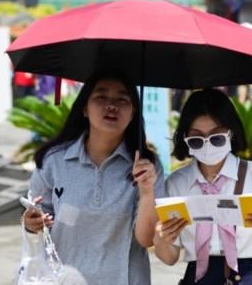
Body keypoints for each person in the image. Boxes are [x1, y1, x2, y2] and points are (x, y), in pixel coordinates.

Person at [22, 70, 165, 285]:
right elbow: (39, 220)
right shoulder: (53, 161)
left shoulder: (147, 168)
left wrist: (147, 192)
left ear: (134, 111)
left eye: (122, 99)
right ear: (85, 108)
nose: (111, 105)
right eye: (101, 97)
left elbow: (146, 240)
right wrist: (31, 224)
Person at [153, 88, 252, 285]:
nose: (207, 146)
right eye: (196, 140)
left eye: (216, 138)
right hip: (196, 278)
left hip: (247, 276)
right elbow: (170, 258)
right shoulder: (177, 183)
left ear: (231, 133)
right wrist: (161, 241)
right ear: (186, 140)